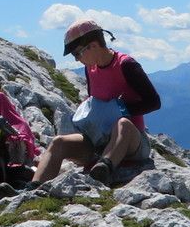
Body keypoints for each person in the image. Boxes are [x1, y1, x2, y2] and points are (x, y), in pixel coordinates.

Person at [34, 18, 161, 187]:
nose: (77, 59)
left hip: (132, 142)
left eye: (77, 53)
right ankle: (34, 188)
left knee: (122, 124)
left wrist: (120, 109)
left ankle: (103, 169)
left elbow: (154, 102)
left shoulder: (126, 65)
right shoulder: (90, 69)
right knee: (59, 142)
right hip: (99, 139)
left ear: (93, 45)